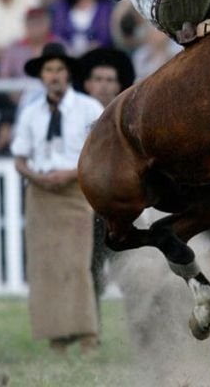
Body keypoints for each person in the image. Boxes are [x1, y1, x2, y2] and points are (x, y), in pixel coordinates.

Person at [10, 42, 103, 355]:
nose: (54, 76)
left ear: (69, 74)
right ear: (41, 76)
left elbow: (100, 153)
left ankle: (88, 336)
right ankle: (56, 339)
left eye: (60, 69)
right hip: (40, 194)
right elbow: (20, 157)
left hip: (76, 191)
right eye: (48, 70)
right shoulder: (30, 112)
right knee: (45, 267)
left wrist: (71, 174)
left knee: (77, 265)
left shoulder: (89, 108)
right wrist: (34, 176)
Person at [77, 46, 135, 318]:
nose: (103, 86)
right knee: (89, 269)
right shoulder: (73, 116)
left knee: (135, 270)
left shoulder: (131, 117)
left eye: (109, 80)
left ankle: (141, 326)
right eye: (98, 79)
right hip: (84, 205)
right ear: (87, 84)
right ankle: (91, 329)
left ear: (118, 86)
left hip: (122, 205)